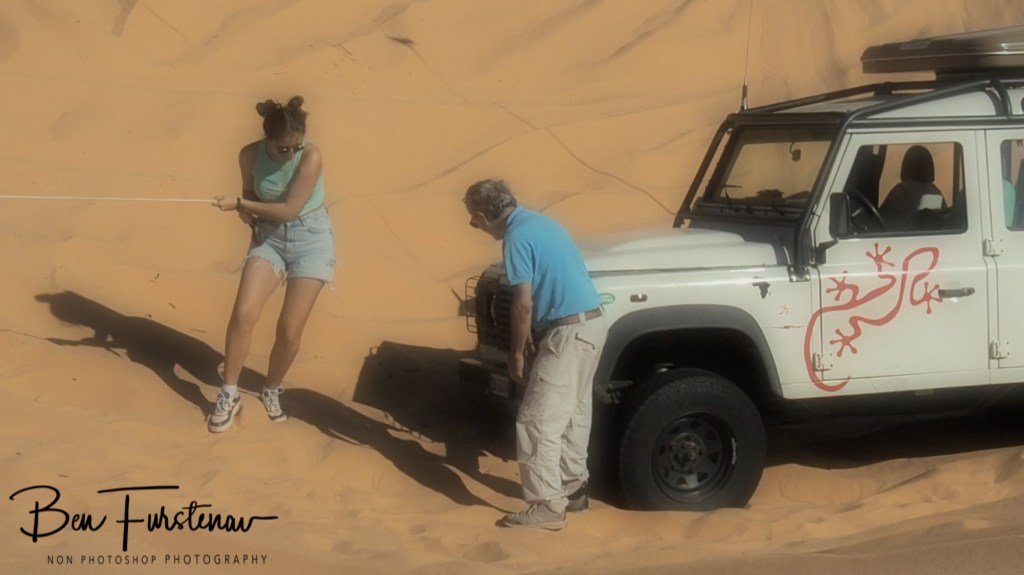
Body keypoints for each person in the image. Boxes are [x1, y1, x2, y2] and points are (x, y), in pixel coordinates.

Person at [463, 178, 608, 530]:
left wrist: (515, 352)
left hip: (568, 330)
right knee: (573, 412)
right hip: (592, 324)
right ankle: (573, 490)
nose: (476, 227)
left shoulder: (515, 236)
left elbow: (522, 303)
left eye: (473, 221)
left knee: (536, 421)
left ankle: (546, 505)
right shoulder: (540, 222)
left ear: (483, 216)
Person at [208, 96, 335, 433]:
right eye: (283, 149)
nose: (291, 154)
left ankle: (271, 387)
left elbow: (291, 209)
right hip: (269, 239)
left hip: (311, 238)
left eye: (296, 146)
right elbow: (251, 192)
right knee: (243, 312)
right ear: (268, 140)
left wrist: (239, 202)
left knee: (290, 329)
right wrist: (244, 209)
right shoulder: (249, 155)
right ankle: (229, 393)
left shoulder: (311, 156)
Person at [878, 145, 947, 231]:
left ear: (906, 166)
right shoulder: (936, 192)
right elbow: (944, 221)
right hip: (929, 241)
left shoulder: (900, 190)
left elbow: (879, 220)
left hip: (900, 242)